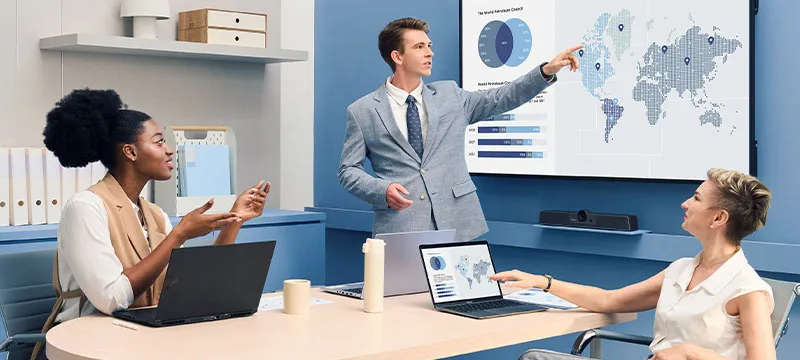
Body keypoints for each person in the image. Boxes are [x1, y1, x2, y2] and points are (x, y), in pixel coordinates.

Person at [32, 89, 270, 359]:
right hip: (86, 344)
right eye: (158, 142)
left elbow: (193, 288)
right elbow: (112, 299)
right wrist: (178, 236)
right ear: (130, 152)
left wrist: (234, 221)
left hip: (143, 338)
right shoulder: (85, 208)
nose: (169, 150)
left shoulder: (154, 214)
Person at [338, 17, 581, 242]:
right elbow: (348, 170)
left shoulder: (450, 95)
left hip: (457, 224)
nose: (430, 52)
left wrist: (546, 71)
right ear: (397, 57)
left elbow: (501, 97)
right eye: (419, 47)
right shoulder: (363, 110)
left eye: (429, 45)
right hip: (400, 228)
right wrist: (382, 190)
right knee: (405, 292)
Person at [492, 168, 776, 360]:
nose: (685, 203)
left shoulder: (748, 290)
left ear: (718, 219)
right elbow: (609, 300)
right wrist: (544, 282)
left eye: (697, 198)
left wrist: (690, 353)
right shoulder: (680, 270)